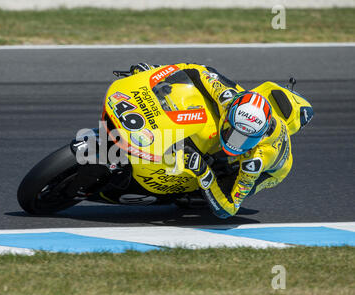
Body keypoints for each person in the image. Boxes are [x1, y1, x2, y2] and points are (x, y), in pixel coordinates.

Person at [130, 62, 311, 219]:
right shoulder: (227, 97)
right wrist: (153, 72)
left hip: (274, 170)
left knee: (225, 180)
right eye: (233, 133)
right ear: (230, 114)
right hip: (248, 112)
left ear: (259, 138)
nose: (235, 143)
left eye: (244, 140)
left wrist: (203, 172)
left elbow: (229, 208)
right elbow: (196, 70)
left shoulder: (256, 160)